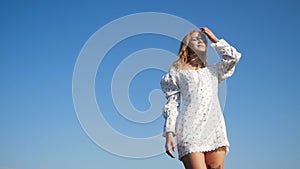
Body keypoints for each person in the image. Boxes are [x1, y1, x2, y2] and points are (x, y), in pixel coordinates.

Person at [160, 27, 241, 169]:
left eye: (202, 39)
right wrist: (169, 133)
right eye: (195, 38)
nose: (200, 40)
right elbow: (172, 104)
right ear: (187, 45)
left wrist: (214, 39)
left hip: (215, 128)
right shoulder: (176, 73)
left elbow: (233, 57)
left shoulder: (214, 71)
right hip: (190, 129)